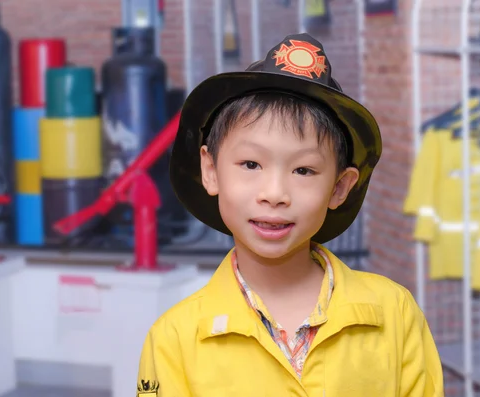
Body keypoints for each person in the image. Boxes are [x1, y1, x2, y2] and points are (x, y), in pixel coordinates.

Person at [136, 33, 444, 396]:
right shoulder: (175, 338)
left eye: (303, 171)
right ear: (211, 170)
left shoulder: (393, 313)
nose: (275, 194)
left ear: (339, 187)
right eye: (251, 164)